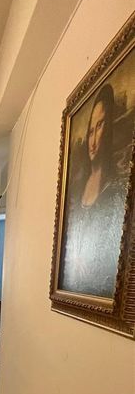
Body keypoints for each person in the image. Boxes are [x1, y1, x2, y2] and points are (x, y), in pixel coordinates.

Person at [59, 83, 126, 298]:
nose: (93, 140)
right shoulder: (77, 191)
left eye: (100, 126)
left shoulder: (116, 190)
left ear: (109, 130)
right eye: (90, 131)